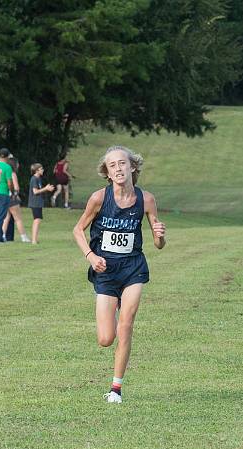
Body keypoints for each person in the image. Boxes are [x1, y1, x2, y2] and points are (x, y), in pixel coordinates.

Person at [72, 146, 166, 404]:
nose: (118, 168)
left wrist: (159, 235)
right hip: (106, 270)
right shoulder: (99, 199)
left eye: (122, 163)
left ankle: (116, 389)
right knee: (105, 339)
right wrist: (91, 256)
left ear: (132, 167)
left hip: (133, 268)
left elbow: (158, 244)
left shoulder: (145, 199)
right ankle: (113, 306)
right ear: (107, 173)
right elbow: (78, 230)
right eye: (112, 165)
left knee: (126, 325)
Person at [1, 154, 31, 243]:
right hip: (12, 198)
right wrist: (16, 195)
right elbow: (16, 187)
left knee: (6, 218)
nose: (18, 165)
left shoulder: (5, 172)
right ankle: (24, 237)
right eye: (17, 164)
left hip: (5, 197)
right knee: (18, 219)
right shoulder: (12, 173)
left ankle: (2, 235)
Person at [28, 163, 55, 244]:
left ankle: (34, 239)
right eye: (41, 169)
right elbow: (35, 191)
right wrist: (46, 188)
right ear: (37, 170)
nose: (43, 170)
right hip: (35, 203)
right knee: (37, 220)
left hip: (38, 203)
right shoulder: (34, 179)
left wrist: (46, 189)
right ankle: (34, 240)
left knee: (38, 220)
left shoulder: (38, 179)